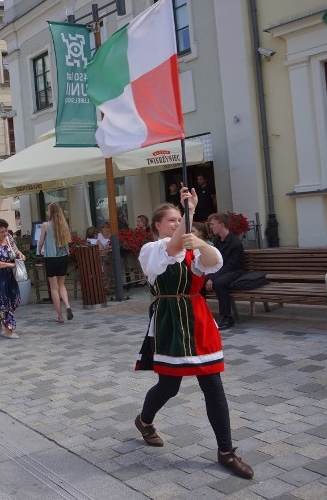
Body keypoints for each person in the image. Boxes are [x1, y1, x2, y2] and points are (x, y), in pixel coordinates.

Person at [133, 188, 253, 479]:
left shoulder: (192, 250)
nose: (176, 224)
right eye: (171, 220)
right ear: (158, 225)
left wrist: (199, 240)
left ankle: (226, 451)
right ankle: (144, 421)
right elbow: (172, 248)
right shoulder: (152, 251)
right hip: (170, 322)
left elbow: (213, 261)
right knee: (169, 386)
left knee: (213, 384)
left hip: (198, 320)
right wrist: (189, 213)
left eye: (179, 219)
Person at [205, 212, 245, 330]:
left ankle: (227, 317)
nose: (210, 226)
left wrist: (212, 278)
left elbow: (230, 266)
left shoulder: (235, 243)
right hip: (220, 270)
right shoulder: (217, 240)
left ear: (221, 225)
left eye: (212, 224)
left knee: (219, 283)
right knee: (200, 281)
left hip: (235, 271)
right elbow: (215, 261)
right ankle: (200, 314)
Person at [0, 219, 25, 339]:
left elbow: (16, 250)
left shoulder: (9, 238)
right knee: (4, 302)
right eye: (2, 232)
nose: (5, 233)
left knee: (15, 299)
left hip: (10, 273)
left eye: (6, 230)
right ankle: (8, 330)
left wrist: (20, 255)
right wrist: (8, 264)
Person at [37, 203, 73, 323]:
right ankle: (67, 305)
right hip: (63, 257)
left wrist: (38, 250)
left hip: (51, 258)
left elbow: (41, 241)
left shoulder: (46, 225)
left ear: (50, 212)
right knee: (62, 285)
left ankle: (60, 315)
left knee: (54, 287)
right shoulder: (64, 224)